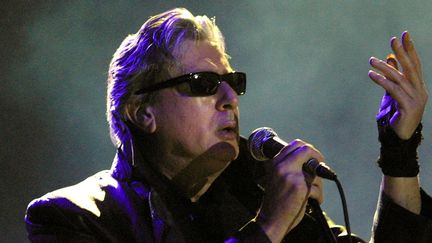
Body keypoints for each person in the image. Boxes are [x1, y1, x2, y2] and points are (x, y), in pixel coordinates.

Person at [25, 8, 432, 242]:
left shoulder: (259, 190)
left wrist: (399, 151)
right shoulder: (72, 218)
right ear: (141, 112)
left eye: (232, 83)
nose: (230, 99)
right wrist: (269, 227)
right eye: (203, 84)